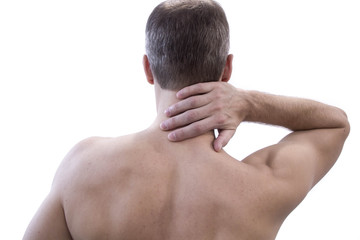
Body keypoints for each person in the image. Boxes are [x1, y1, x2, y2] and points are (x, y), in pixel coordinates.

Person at [23, 0, 350, 239]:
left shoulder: (83, 167)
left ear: (148, 68)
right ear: (227, 69)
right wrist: (248, 102)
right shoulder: (264, 184)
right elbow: (335, 123)